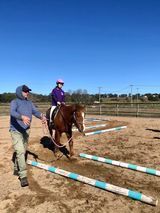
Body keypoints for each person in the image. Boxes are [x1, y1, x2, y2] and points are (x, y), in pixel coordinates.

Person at [10, 85, 47, 187]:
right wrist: (21, 117)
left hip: (26, 131)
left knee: (22, 151)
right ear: (19, 92)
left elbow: (35, 112)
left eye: (28, 91)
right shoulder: (14, 102)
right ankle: (23, 176)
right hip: (15, 131)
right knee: (21, 151)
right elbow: (12, 112)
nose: (27, 93)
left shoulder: (29, 103)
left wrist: (41, 116)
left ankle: (17, 168)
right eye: (25, 91)